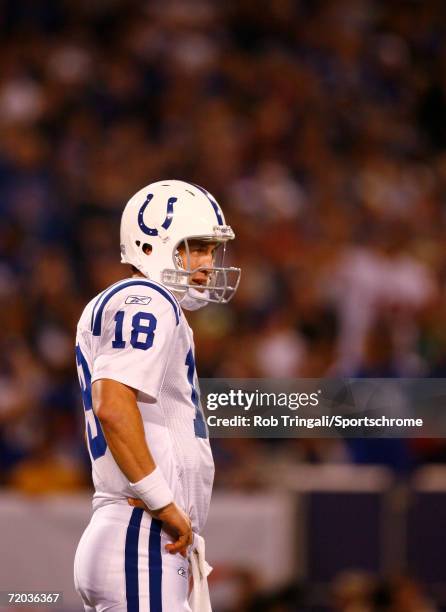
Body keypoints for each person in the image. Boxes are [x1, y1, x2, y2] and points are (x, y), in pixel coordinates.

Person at [73, 180, 240, 611]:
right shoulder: (147, 298)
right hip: (140, 532)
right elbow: (111, 404)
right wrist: (163, 503)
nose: (207, 262)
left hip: (139, 537)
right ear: (152, 245)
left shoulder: (141, 302)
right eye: (195, 247)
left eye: (210, 250)